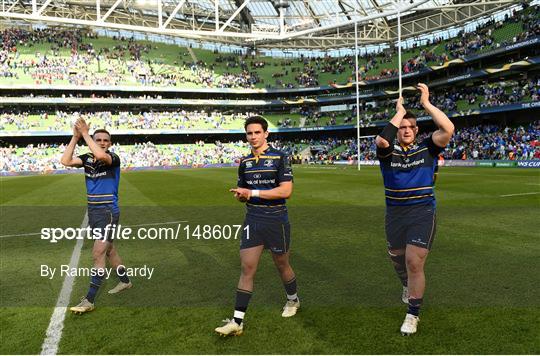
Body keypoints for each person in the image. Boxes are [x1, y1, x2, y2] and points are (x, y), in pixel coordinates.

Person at [375, 83, 454, 335]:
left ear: (417, 130)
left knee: (413, 262)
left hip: (422, 212)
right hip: (395, 214)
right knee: (398, 259)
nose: (407, 130)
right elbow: (381, 140)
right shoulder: (388, 153)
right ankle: (407, 286)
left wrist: (426, 104)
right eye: (403, 127)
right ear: (398, 130)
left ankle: (412, 314)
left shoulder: (427, 148)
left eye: (411, 127)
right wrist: (399, 111)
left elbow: (448, 129)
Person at [215, 116, 299, 336]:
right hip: (253, 219)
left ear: (266, 133)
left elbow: (286, 191)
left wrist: (252, 193)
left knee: (282, 265)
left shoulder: (280, 157)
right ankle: (237, 321)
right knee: (247, 267)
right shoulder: (244, 162)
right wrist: (242, 196)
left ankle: (293, 300)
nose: (253, 137)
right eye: (249, 133)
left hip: (276, 219)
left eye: (257, 132)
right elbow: (244, 192)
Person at [60, 119, 132, 314]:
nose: (102, 142)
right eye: (98, 139)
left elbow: (100, 155)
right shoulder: (87, 159)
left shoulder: (112, 158)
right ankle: (125, 281)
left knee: (97, 254)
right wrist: (75, 137)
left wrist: (85, 134)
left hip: (108, 211)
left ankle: (89, 300)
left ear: (110, 144)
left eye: (105, 140)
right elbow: (65, 161)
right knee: (109, 251)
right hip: (94, 211)